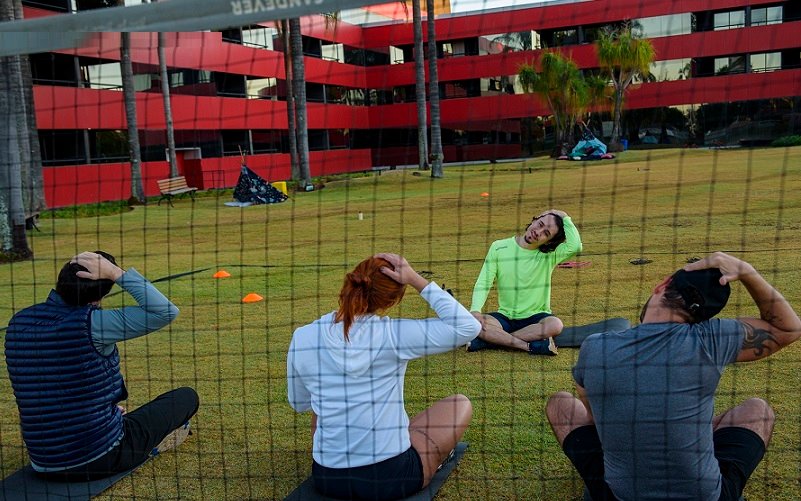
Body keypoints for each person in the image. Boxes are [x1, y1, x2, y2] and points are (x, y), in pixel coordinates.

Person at [546, 251, 801, 500]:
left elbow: (593, 415)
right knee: (757, 410)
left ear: (663, 285)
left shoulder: (596, 346)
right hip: (703, 496)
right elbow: (788, 328)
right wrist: (747, 271)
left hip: (618, 494)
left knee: (560, 403)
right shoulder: (711, 339)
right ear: (702, 317)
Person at [287, 253, 481, 501]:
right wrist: (415, 279)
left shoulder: (303, 336)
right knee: (459, 404)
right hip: (390, 478)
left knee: (320, 402)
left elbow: (300, 403)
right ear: (390, 301)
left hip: (328, 478)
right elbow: (468, 327)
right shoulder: (392, 334)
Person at [4, 251, 199, 481]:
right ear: (101, 294)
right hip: (100, 457)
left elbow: (50, 383)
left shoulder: (19, 321)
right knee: (186, 397)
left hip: (43, 461)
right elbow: (165, 311)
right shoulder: (93, 324)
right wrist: (116, 273)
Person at [468, 208, 582, 355]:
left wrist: (564, 216)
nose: (538, 232)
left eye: (546, 233)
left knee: (555, 325)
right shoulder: (498, 247)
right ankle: (529, 346)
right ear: (535, 219)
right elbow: (484, 282)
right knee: (476, 323)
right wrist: (475, 310)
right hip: (505, 318)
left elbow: (576, 246)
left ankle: (490, 341)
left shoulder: (549, 255)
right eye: (540, 224)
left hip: (536, 318)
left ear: (549, 241)